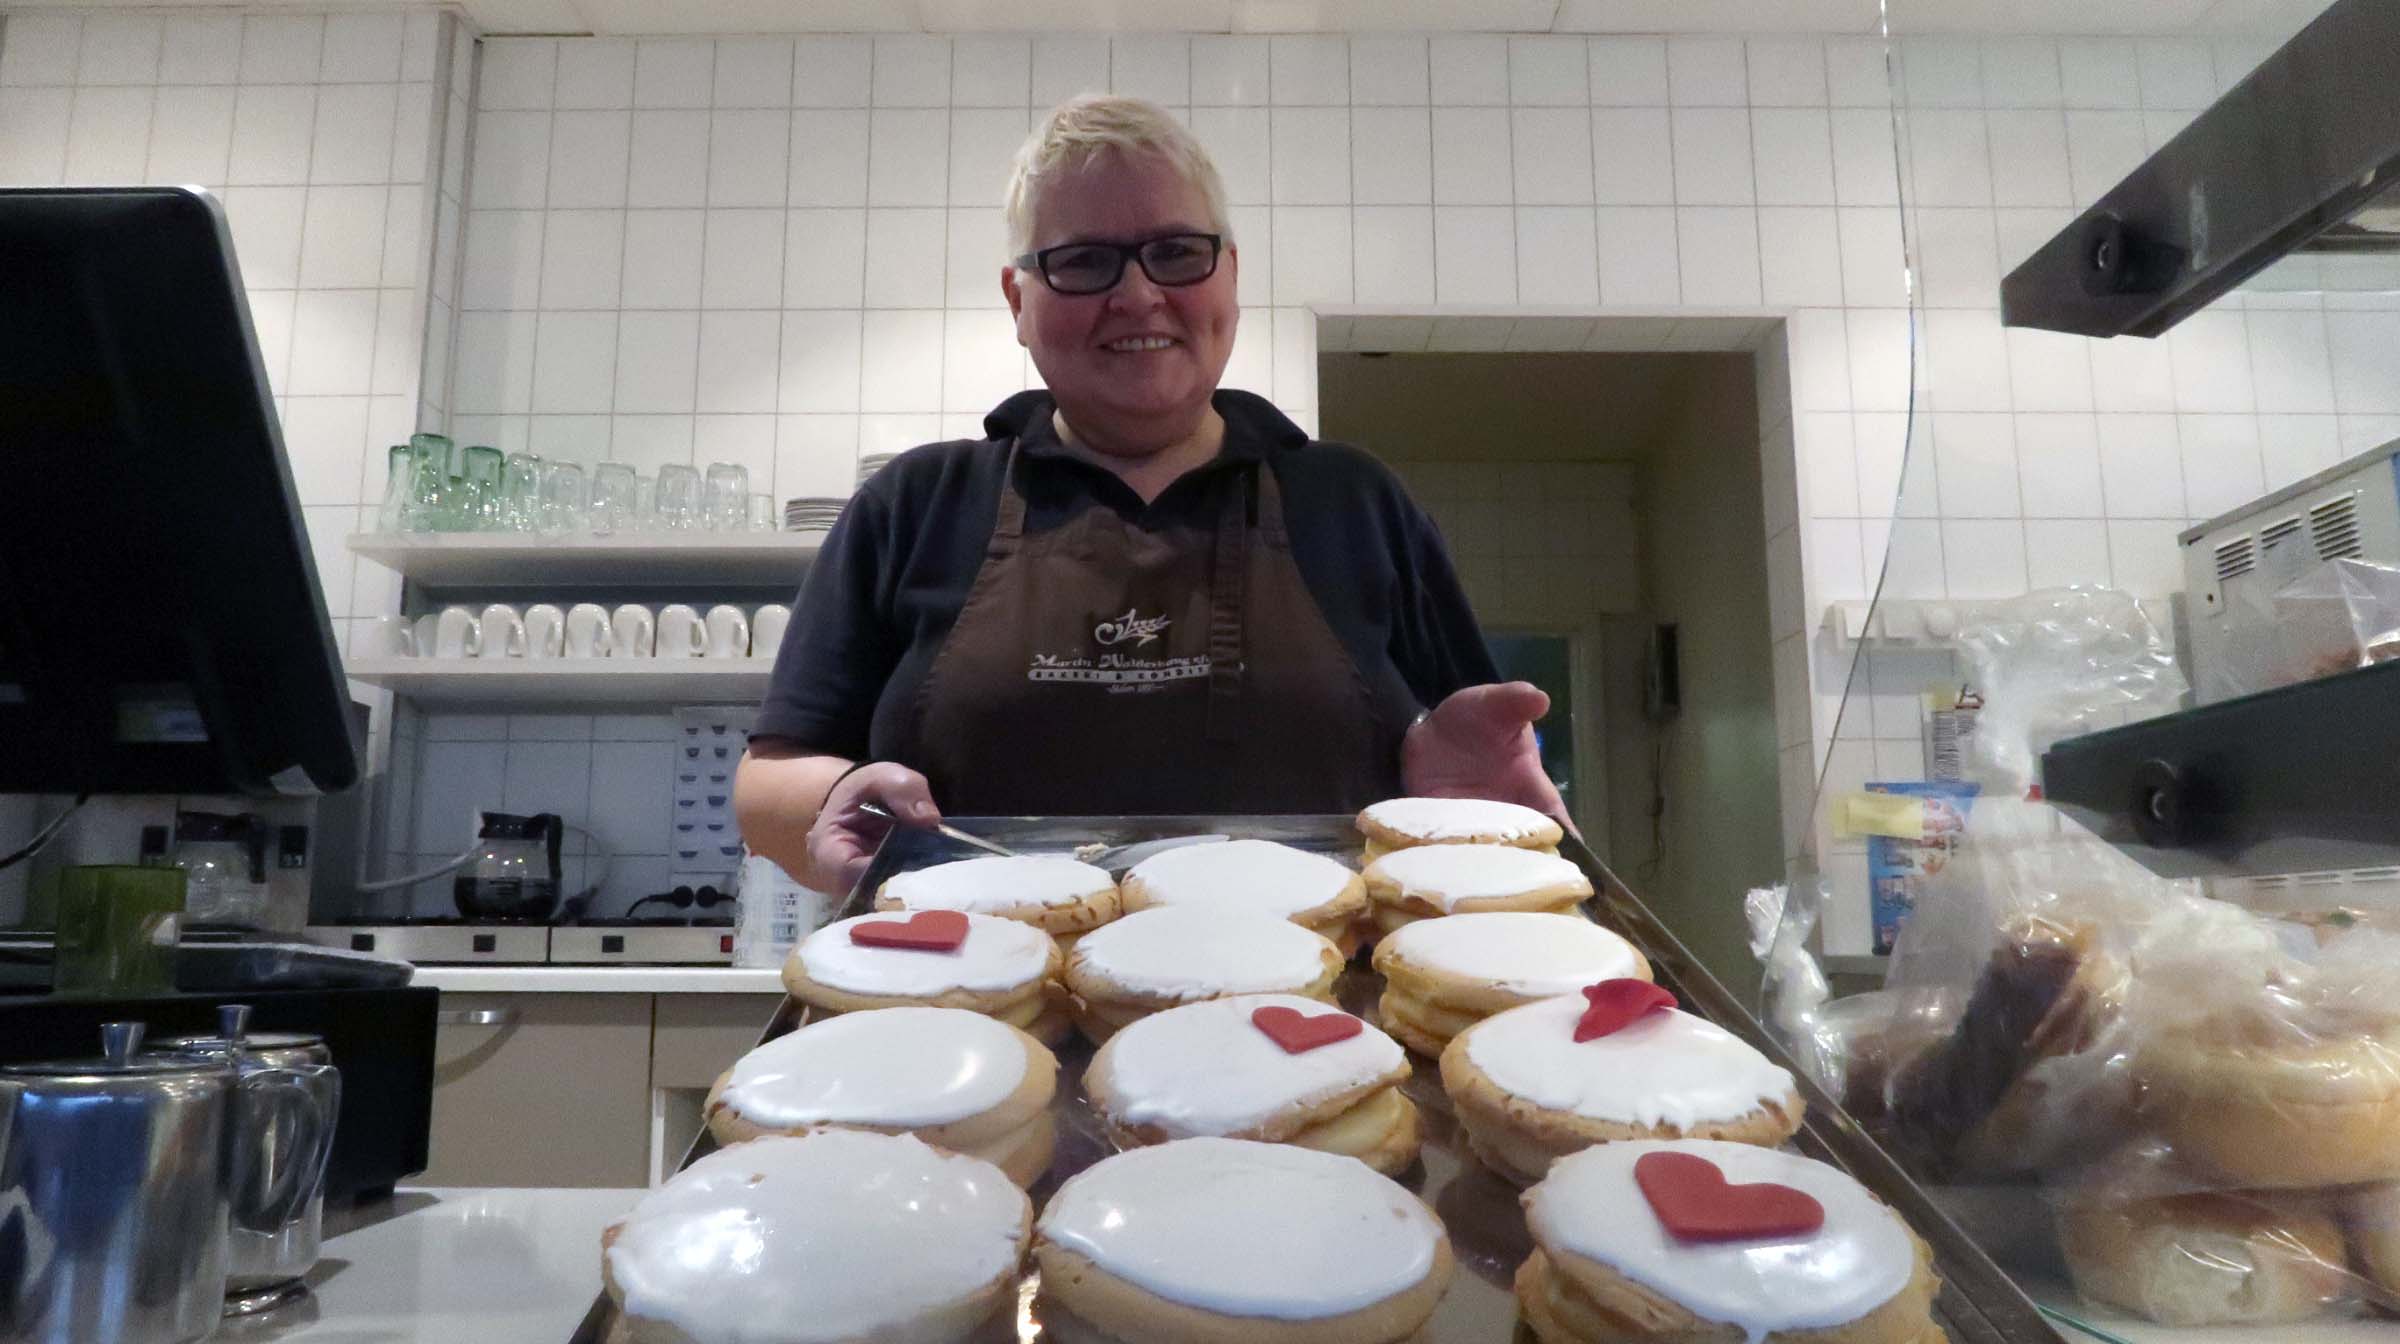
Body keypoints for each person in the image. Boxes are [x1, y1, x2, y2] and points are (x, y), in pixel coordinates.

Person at [736, 94, 1565, 893]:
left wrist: (1464, 808)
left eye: (1175, 252)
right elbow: (769, 780)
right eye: (1084, 261)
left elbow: (1470, 770)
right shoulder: (915, 504)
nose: (1136, 294)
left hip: (1311, 1017)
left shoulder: (1354, 503)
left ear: (1229, 277)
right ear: (1018, 299)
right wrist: (829, 805)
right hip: (962, 1009)